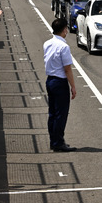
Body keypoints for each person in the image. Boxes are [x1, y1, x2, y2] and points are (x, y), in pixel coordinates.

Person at [43, 18, 77, 152]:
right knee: (61, 114)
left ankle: (54, 140)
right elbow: (67, 69)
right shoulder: (64, 47)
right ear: (64, 30)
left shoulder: (47, 43)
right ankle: (58, 142)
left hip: (50, 80)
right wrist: (73, 86)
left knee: (52, 113)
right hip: (59, 82)